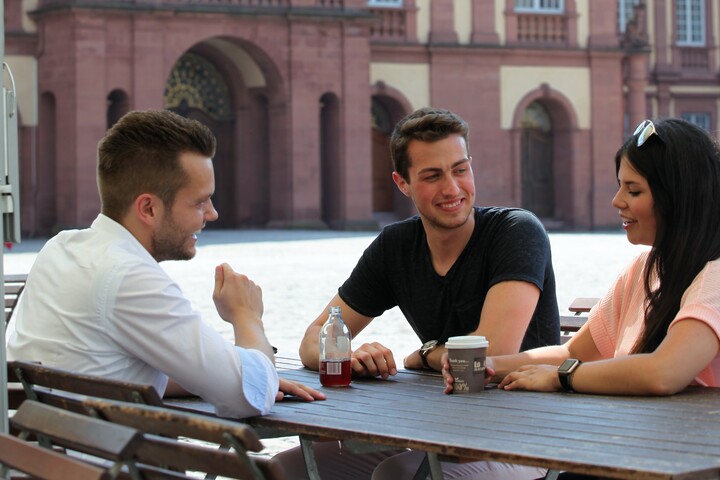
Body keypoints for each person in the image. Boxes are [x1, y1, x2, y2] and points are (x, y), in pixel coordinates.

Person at [431, 117, 720, 479]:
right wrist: (491, 365)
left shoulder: (715, 275)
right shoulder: (646, 268)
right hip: (640, 456)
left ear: (676, 196)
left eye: (633, 191)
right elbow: (572, 351)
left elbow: (663, 372)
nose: (617, 201)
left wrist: (563, 378)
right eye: (620, 187)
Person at [278, 107, 559, 479]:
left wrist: (425, 354)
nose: (452, 188)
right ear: (402, 183)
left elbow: (489, 355)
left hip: (524, 437)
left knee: (397, 475)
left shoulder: (516, 232)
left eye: (460, 169)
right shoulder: (396, 246)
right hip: (437, 430)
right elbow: (314, 339)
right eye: (432, 176)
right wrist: (347, 354)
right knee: (288, 469)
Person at [6, 109, 324, 419]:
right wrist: (246, 318)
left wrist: (236, 373)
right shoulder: (129, 276)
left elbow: (106, 370)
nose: (212, 214)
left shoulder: (60, 248)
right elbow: (245, 398)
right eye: (199, 202)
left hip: (50, 458)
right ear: (149, 209)